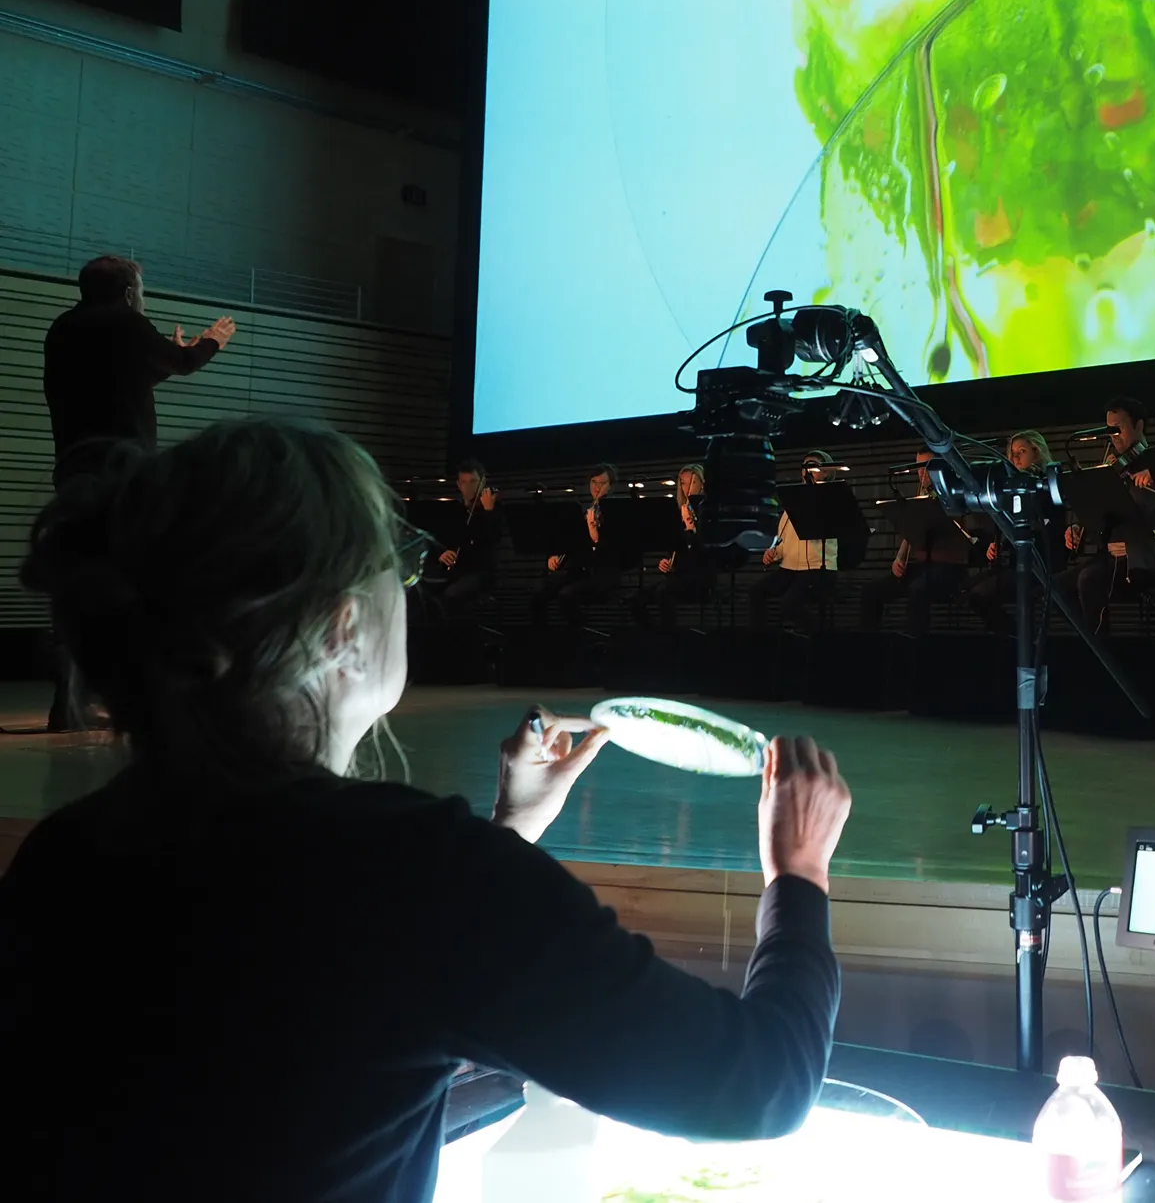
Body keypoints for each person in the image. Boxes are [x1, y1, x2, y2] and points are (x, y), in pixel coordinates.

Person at [0, 418, 851, 1202]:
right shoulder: (422, 873)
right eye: (398, 568)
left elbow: (332, 1023)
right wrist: (800, 874)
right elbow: (755, 1087)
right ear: (341, 628)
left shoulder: (68, 853)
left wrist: (509, 836)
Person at [39, 255, 236, 730]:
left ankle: (68, 705)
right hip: (124, 473)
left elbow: (113, 379)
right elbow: (184, 363)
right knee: (140, 579)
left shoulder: (62, 328)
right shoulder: (127, 323)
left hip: (72, 471)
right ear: (129, 292)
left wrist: (159, 360)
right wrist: (212, 342)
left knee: (78, 583)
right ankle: (142, 695)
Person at [1056, 397, 1155, 635]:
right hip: (1112, 558)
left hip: (1146, 557)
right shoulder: (1115, 467)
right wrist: (1080, 528)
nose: (1113, 436)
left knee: (1090, 580)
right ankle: (1091, 643)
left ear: (1139, 426)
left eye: (1118, 428)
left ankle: (1102, 653)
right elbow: (1103, 515)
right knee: (1056, 588)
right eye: (1109, 429)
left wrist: (1132, 541)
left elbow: (1149, 517)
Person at [858, 451, 974, 636]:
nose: (922, 472)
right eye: (918, 467)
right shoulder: (921, 494)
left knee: (917, 589)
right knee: (871, 591)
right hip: (922, 565)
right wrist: (900, 557)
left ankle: (913, 646)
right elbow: (911, 530)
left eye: (927, 466)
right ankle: (869, 643)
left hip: (950, 567)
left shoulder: (955, 491)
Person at [963, 431, 1063, 633]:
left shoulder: (1048, 485)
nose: (1015, 457)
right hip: (1014, 563)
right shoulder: (1008, 488)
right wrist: (995, 544)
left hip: (1040, 564)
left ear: (1036, 453)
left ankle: (1017, 639)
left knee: (980, 594)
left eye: (1022, 451)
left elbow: (1048, 527)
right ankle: (1013, 636)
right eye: (1012, 453)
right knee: (964, 590)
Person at [749, 452, 840, 631]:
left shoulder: (832, 499)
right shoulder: (793, 502)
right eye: (804, 467)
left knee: (789, 604)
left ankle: (819, 637)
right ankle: (758, 641)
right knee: (756, 592)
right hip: (790, 569)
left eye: (813, 467)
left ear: (826, 473)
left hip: (817, 568)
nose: (807, 471)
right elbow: (783, 540)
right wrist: (774, 552)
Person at [531, 463, 627, 627]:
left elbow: (617, 554)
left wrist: (595, 537)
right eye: (593, 482)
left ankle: (579, 634)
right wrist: (553, 557)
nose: (597, 488)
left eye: (602, 483)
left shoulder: (617, 514)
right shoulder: (582, 512)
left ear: (610, 487)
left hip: (603, 575)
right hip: (580, 573)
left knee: (566, 595)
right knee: (538, 592)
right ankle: (542, 637)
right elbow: (567, 542)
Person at [423, 458, 501, 619]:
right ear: (459, 485)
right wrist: (442, 553)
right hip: (455, 570)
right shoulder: (453, 511)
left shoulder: (492, 509)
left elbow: (495, 538)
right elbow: (439, 540)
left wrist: (488, 511)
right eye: (464, 482)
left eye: (474, 481)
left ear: (483, 482)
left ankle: (460, 638)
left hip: (480, 572)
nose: (469, 487)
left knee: (452, 596)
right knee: (421, 590)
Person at [649, 464, 713, 630]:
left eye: (692, 482)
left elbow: (706, 553)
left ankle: (670, 638)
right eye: (683, 483)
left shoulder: (709, 514)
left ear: (702, 484)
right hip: (678, 576)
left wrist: (691, 530)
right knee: (635, 599)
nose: (687, 488)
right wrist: (665, 562)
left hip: (701, 578)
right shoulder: (676, 514)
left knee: (664, 592)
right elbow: (673, 549)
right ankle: (654, 636)